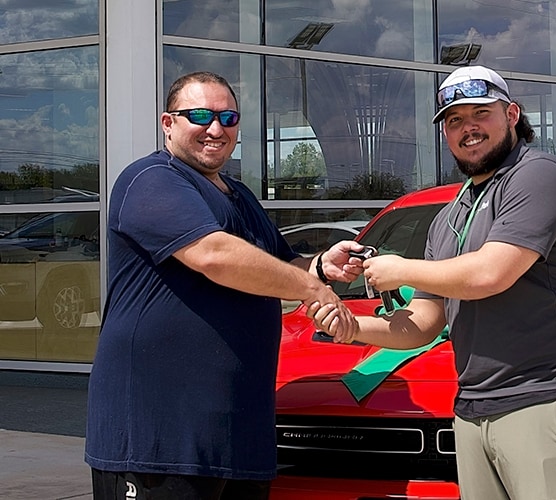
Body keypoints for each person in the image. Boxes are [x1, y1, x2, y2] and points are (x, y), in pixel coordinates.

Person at [314, 65, 556, 499]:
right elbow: (424, 322)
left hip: (548, 398)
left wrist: (399, 269)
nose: (467, 128)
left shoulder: (538, 174)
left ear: (511, 114)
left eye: (480, 113)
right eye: (454, 120)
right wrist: (351, 326)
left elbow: (491, 273)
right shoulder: (448, 218)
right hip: (473, 409)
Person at [85, 71, 362, 499]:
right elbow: (212, 255)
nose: (216, 128)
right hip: (158, 442)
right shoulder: (151, 179)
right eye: (199, 115)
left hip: (237, 440)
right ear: (168, 123)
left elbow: (280, 266)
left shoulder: (239, 195)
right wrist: (312, 290)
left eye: (228, 117)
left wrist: (322, 268)